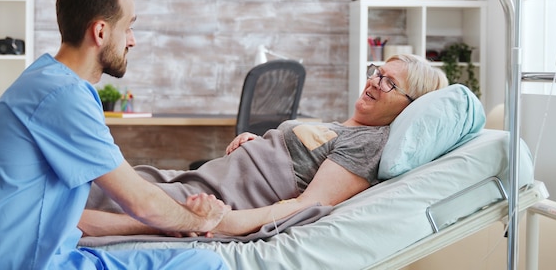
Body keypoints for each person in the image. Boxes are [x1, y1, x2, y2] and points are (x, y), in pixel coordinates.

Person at [0, 0, 231, 270]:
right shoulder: (63, 95)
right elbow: (141, 201)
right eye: (127, 28)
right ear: (100, 32)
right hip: (28, 265)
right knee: (205, 265)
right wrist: (201, 218)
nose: (132, 41)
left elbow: (75, 219)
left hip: (32, 256)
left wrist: (163, 224)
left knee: (198, 259)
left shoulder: (45, 79)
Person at [81, 54, 449, 237]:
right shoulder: (343, 126)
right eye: (377, 72)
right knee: (111, 183)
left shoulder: (369, 143)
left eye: (389, 83)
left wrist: (227, 222)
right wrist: (258, 143)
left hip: (221, 197)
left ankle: (34, 230)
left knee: (110, 201)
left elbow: (308, 202)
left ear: (409, 104)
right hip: (207, 177)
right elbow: (300, 157)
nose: (374, 82)